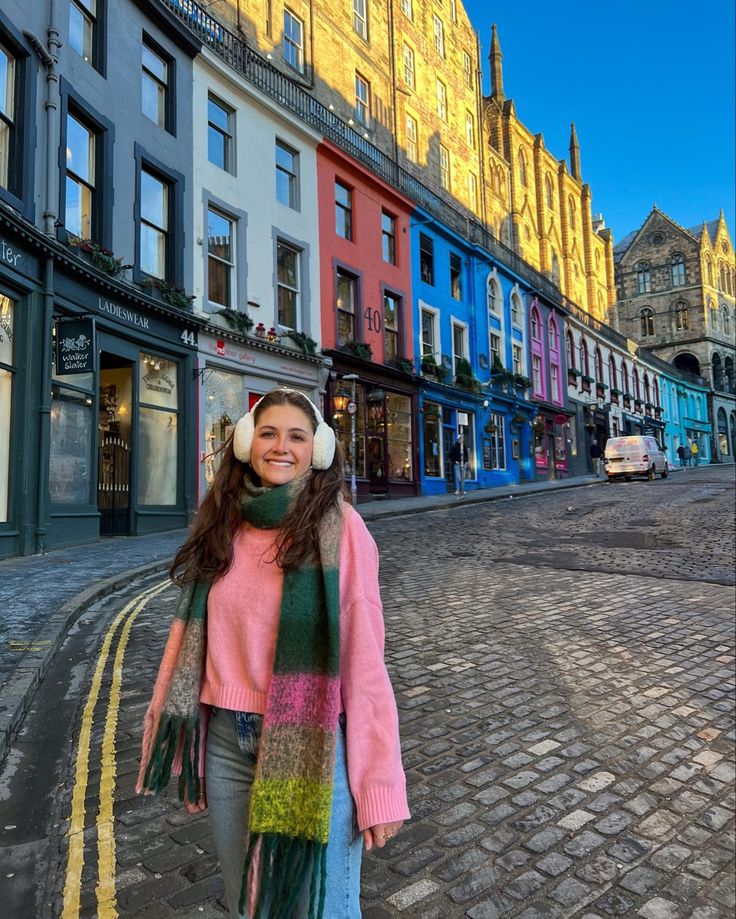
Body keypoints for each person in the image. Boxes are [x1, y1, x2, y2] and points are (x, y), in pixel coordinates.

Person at [136, 388, 409, 919]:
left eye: (296, 436)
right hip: (225, 747)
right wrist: (189, 737)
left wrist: (379, 783)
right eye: (267, 432)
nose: (280, 446)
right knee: (251, 906)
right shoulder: (223, 523)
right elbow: (193, 643)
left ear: (318, 450)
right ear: (244, 442)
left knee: (319, 907)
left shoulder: (341, 529)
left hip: (315, 741)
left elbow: (364, 663)